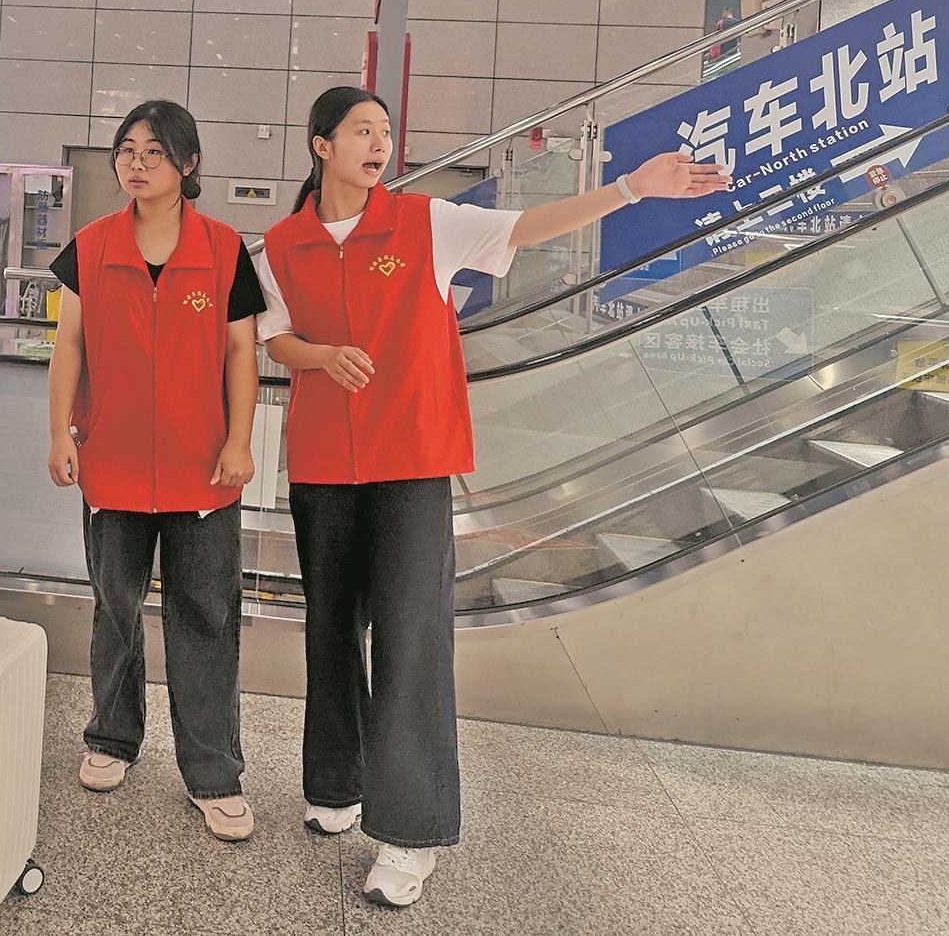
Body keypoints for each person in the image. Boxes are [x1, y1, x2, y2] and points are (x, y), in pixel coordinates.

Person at [253, 86, 729, 910]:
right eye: (362, 131)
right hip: (323, 463)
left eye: (385, 131)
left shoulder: (425, 223)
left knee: (410, 639)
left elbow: (528, 227)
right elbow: (275, 336)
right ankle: (335, 783)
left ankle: (410, 833)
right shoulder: (282, 244)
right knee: (330, 627)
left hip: (411, 462)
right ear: (320, 145)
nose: (379, 143)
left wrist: (630, 188)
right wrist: (322, 356)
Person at [44, 100, 264, 841]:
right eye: (127, 150)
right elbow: (69, 346)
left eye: (155, 152)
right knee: (115, 607)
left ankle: (214, 772)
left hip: (204, 470)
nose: (136, 164)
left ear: (189, 163)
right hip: (112, 463)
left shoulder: (225, 250)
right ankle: (112, 737)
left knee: (205, 617)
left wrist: (240, 441)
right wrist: (60, 432)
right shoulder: (90, 247)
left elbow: (241, 352)